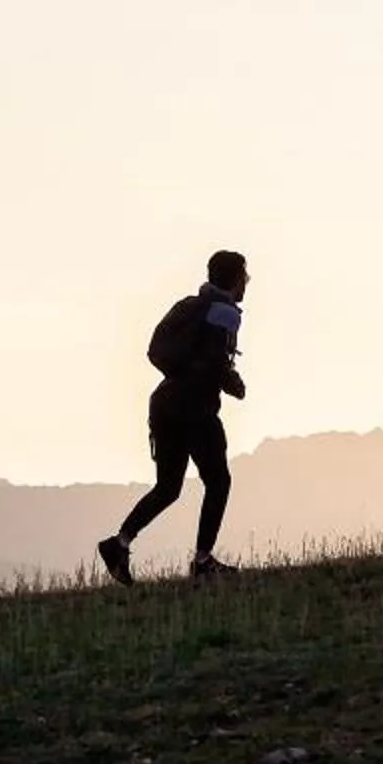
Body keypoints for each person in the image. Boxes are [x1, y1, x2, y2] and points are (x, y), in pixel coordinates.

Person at [101, 249, 249, 583]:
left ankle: (119, 543)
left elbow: (161, 351)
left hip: (165, 404)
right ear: (236, 279)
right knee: (218, 481)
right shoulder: (225, 312)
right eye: (245, 276)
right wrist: (232, 383)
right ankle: (203, 561)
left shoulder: (188, 306)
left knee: (168, 487)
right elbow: (215, 359)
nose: (247, 283)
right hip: (195, 407)